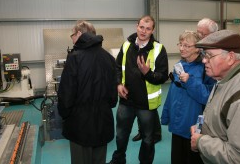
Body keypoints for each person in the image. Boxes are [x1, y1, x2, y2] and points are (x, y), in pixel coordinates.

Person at [190, 29, 240, 164]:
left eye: (209, 55)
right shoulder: (226, 76)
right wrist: (203, 129)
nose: (204, 60)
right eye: (203, 54)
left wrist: (201, 142)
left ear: (230, 58)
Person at [107, 15, 169, 164]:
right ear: (137, 26)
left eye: (148, 29)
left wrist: (147, 73)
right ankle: (118, 160)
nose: (143, 31)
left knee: (148, 138)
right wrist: (118, 84)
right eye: (141, 27)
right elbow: (117, 67)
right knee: (121, 135)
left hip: (146, 104)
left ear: (152, 30)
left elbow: (163, 76)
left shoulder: (159, 49)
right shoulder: (127, 45)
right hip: (126, 100)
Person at [57, 20, 118, 164]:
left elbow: (66, 95)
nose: (71, 38)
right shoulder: (109, 58)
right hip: (103, 121)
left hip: (80, 125)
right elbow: (113, 98)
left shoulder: (74, 58)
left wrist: (64, 115)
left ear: (79, 34)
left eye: (72, 35)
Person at [161, 30, 216, 164]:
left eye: (186, 45)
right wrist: (166, 114)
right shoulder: (179, 66)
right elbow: (172, 93)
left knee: (192, 159)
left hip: (194, 125)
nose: (181, 48)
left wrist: (190, 81)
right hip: (177, 122)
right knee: (177, 158)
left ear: (197, 49)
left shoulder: (206, 68)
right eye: (180, 44)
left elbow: (208, 97)